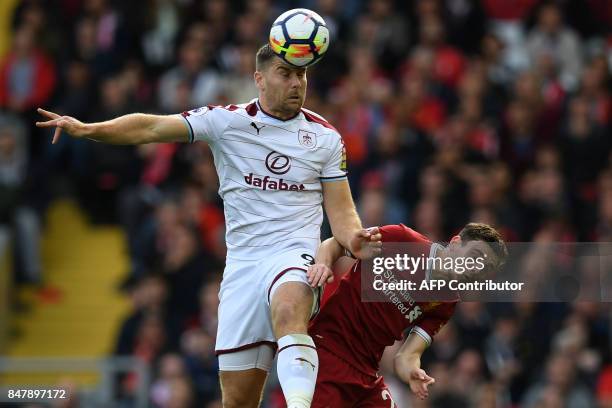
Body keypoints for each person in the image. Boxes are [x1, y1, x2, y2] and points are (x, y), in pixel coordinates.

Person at [36, 44, 381, 408]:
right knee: (237, 400)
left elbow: (342, 214)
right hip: (243, 269)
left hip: (294, 255)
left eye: (302, 75)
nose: (297, 83)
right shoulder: (226, 121)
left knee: (289, 305)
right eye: (286, 74)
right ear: (259, 80)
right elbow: (151, 127)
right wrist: (90, 128)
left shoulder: (325, 138)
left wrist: (352, 237)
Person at [305, 222, 507, 407]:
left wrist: (412, 372)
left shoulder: (446, 302)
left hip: (367, 372)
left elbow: (407, 355)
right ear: (455, 243)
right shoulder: (401, 239)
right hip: (328, 350)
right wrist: (322, 264)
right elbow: (336, 243)